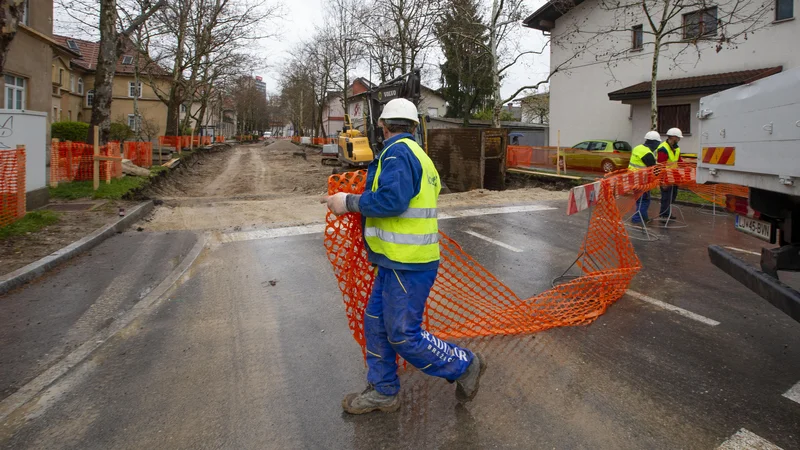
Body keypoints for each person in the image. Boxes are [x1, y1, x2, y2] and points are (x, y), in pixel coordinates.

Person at [322, 98, 487, 415]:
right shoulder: (419, 156)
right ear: (413, 126)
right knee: (376, 325)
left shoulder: (397, 153)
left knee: (402, 336)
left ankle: (464, 365)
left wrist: (349, 202)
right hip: (396, 261)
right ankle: (383, 391)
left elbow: (392, 201)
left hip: (407, 263)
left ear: (382, 127)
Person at [628, 131, 661, 224]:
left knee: (640, 199)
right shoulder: (648, 153)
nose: (657, 146)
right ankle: (637, 219)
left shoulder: (637, 148)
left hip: (633, 178)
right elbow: (653, 169)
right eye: (657, 144)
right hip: (642, 180)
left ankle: (644, 218)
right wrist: (661, 174)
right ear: (654, 142)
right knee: (644, 200)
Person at [657, 128, 683, 220]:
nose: (679, 140)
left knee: (673, 195)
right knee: (666, 196)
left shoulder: (676, 148)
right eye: (678, 138)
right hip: (666, 177)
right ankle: (664, 214)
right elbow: (661, 165)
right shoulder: (663, 148)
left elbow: (679, 161)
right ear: (673, 137)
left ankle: (667, 213)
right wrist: (662, 180)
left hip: (674, 176)